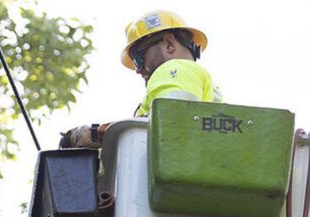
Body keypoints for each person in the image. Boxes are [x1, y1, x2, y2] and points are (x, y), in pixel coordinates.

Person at [61, 10, 222, 148]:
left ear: (169, 44)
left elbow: (171, 122)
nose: (137, 69)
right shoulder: (198, 80)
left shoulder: (175, 69)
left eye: (138, 57)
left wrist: (98, 134)